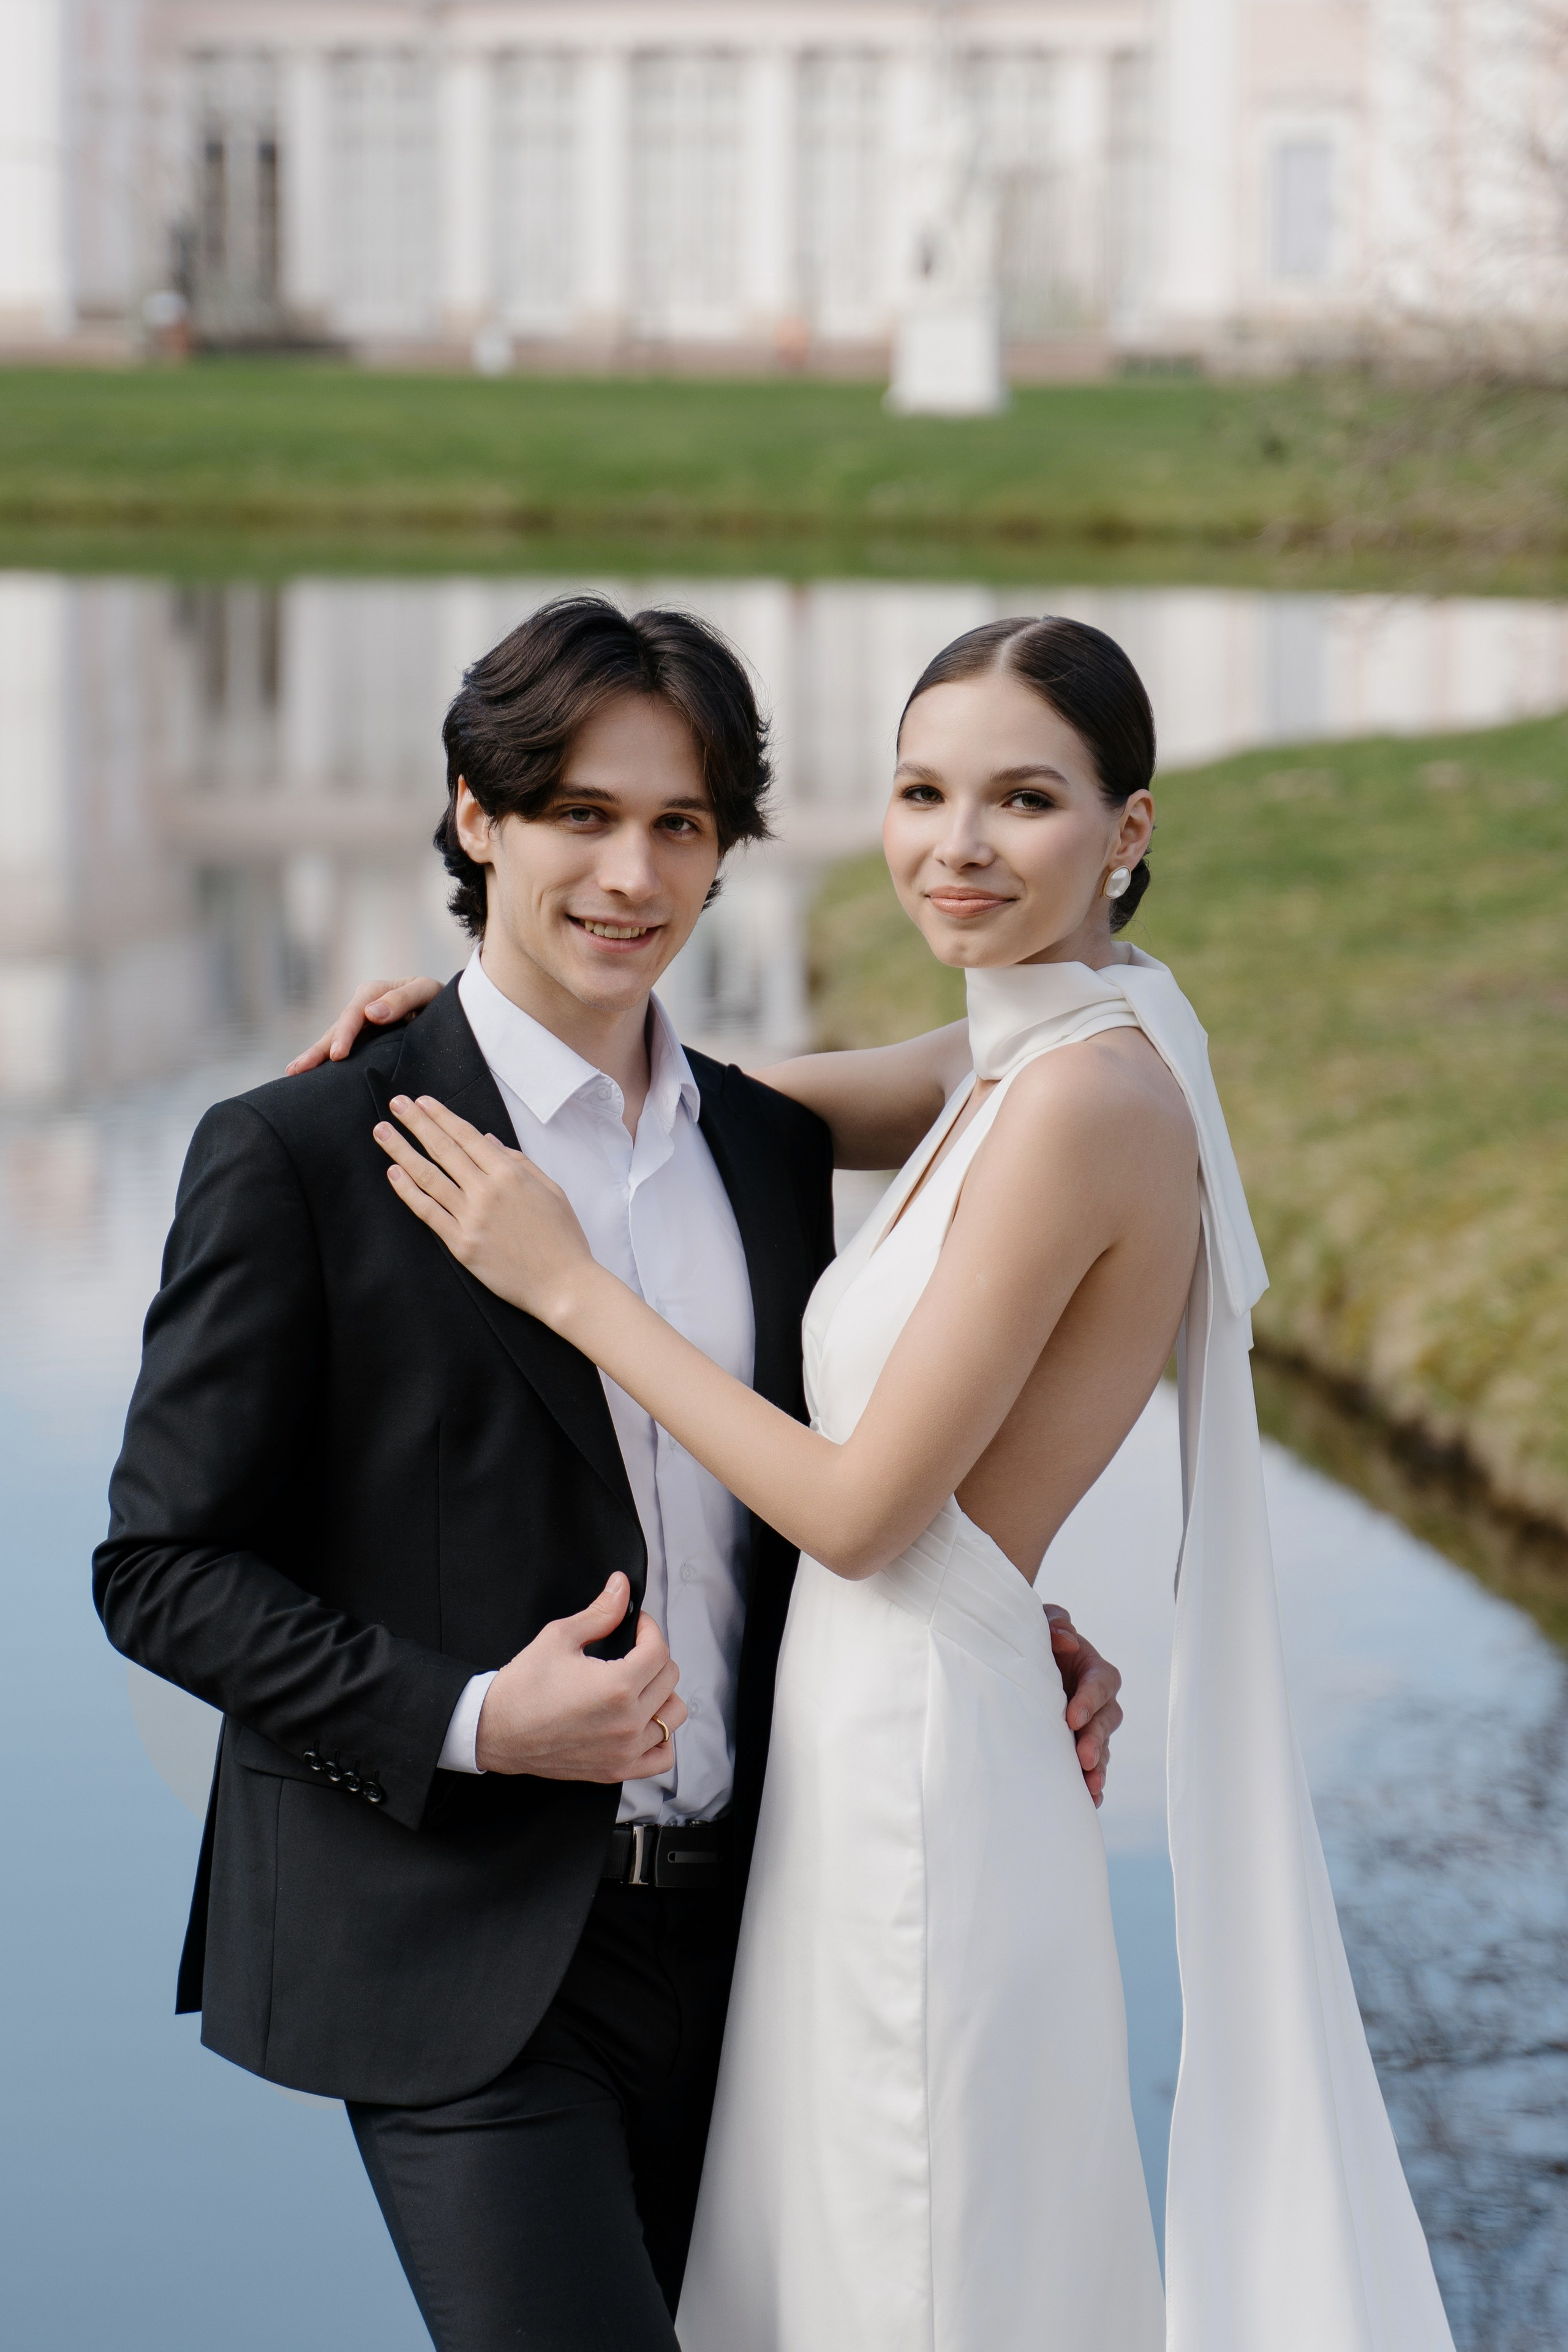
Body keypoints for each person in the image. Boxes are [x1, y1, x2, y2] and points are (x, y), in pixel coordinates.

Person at [366, 614, 1459, 2350]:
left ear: (1129, 831)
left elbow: (868, 1511)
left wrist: (571, 1283)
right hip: (880, 1744)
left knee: (913, 2266)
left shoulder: (1089, 1102)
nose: (956, 845)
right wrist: (477, 1045)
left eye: (1023, 798)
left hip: (918, 1788)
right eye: (919, 791)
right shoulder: (1028, 1050)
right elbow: (732, 1114)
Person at [94, 597, 1128, 2352]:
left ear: (726, 851)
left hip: (770, 1936)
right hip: (463, 1952)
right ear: (475, 816)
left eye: (678, 825)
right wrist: (486, 1717)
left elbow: (786, 1503)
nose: (630, 875)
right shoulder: (307, 1155)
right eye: (579, 814)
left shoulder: (768, 1148)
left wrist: (987, 1612)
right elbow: (162, 1570)